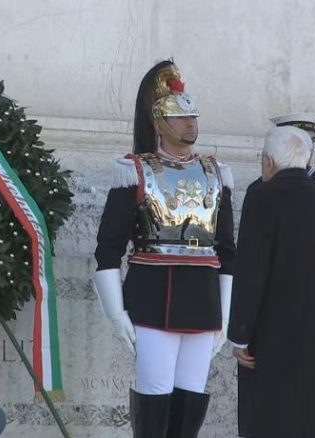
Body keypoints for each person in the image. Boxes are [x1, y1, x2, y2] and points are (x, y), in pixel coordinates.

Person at [92, 60, 236, 437]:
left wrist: (225, 313)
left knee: (190, 402)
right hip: (154, 302)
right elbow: (108, 250)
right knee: (154, 399)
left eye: (193, 116)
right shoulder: (135, 170)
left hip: (203, 305)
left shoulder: (217, 173)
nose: (191, 123)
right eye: (180, 117)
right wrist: (116, 312)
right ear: (159, 124)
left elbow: (227, 252)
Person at [228, 126, 315, 438]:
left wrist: (240, 334)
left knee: (268, 419)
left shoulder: (262, 197)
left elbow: (250, 270)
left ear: (269, 161)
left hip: (268, 338)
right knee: (312, 419)